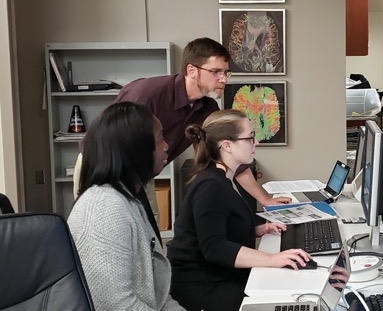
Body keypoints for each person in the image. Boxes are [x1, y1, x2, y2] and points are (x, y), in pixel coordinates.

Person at [73, 37, 291, 219]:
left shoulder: (208, 108)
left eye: (226, 72)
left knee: (150, 229)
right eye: (216, 72)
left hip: (142, 172)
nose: (223, 79)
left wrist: (265, 200)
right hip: (101, 165)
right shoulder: (148, 95)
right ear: (192, 70)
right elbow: (113, 142)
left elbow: (226, 155)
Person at [68, 102, 228, 311]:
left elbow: (157, 295)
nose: (166, 146)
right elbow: (115, 309)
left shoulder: (128, 200)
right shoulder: (104, 207)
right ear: (134, 149)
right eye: (159, 139)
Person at [167, 109, 311, 311]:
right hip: (202, 284)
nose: (256, 143)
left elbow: (218, 227)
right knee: (276, 308)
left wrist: (256, 230)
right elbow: (214, 247)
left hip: (216, 274)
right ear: (227, 145)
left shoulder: (224, 176)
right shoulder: (211, 186)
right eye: (250, 137)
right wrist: (272, 259)